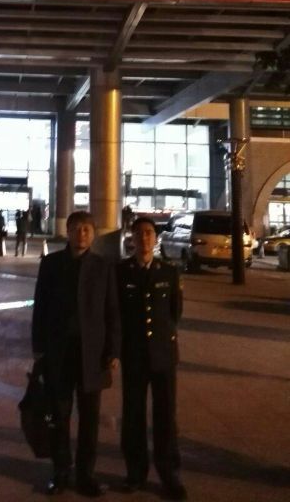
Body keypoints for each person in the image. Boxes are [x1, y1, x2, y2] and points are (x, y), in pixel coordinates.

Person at [32, 210, 120, 497]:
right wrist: (38, 348)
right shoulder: (51, 264)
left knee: (90, 418)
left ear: (93, 234)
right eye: (76, 229)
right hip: (58, 353)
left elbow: (112, 311)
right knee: (59, 415)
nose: (81, 234)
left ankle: (86, 474)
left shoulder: (103, 266)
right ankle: (60, 471)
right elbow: (40, 307)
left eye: (86, 230)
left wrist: (113, 350)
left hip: (92, 355)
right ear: (68, 232)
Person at [117, 216, 186, 500]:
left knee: (165, 415)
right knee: (133, 415)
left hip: (163, 355)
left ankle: (169, 473)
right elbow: (117, 314)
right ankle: (135, 472)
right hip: (134, 355)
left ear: (155, 238)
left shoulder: (169, 272)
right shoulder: (121, 271)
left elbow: (174, 313)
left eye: (148, 233)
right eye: (139, 233)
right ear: (132, 239)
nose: (144, 238)